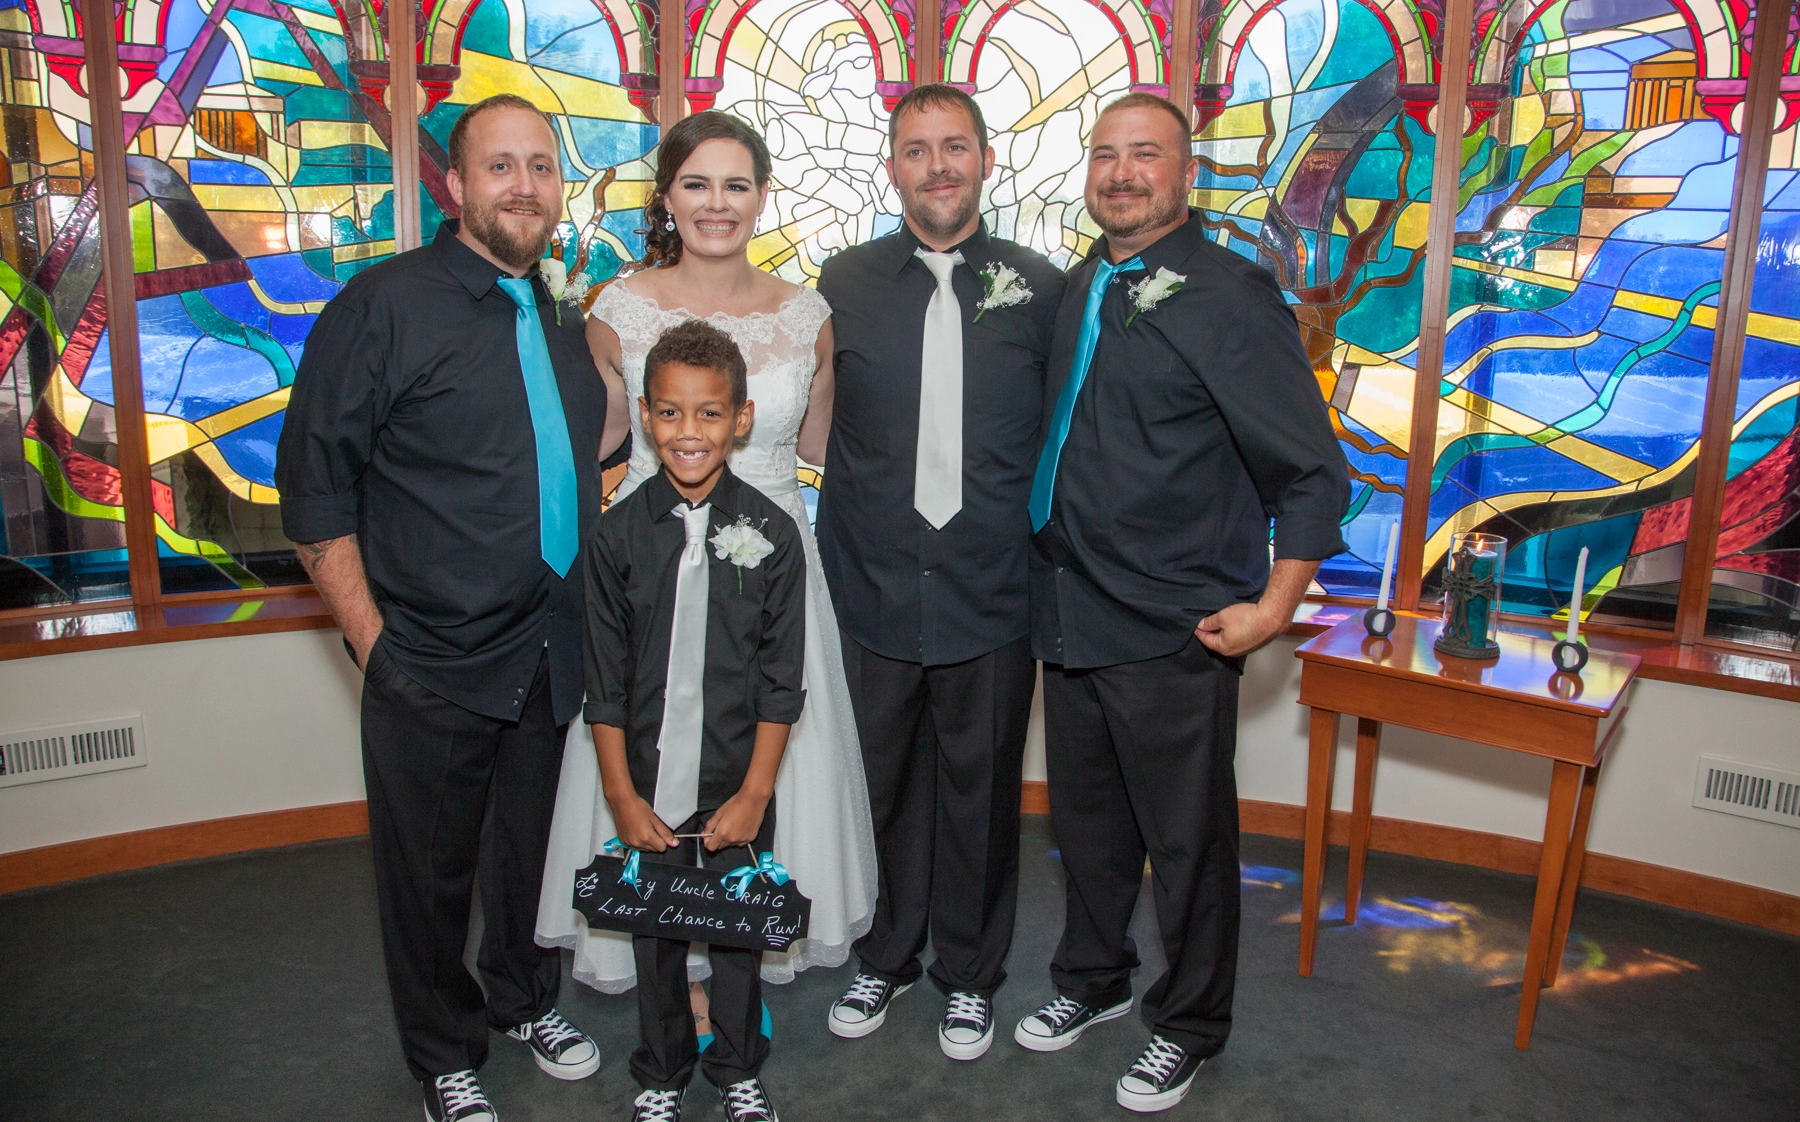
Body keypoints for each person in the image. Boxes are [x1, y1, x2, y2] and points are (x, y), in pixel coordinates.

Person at [275, 94, 619, 1122]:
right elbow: (313, 488)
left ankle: (522, 998)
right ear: (457, 185)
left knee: (527, 855)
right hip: (432, 653)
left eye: (540, 167)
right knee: (428, 874)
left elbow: (564, 461)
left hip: (552, 649)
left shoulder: (557, 311)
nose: (523, 186)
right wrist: (376, 647)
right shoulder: (383, 306)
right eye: (500, 167)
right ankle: (442, 1054)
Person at [1013, 92, 1349, 1113]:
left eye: (1145, 154)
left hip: (1173, 623)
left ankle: (1192, 1022)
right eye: (1105, 154)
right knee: (1089, 825)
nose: (1122, 173)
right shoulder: (1081, 287)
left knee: (1186, 842)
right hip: (1069, 606)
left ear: (1186, 172)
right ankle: (1093, 981)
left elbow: (1312, 472)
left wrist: (1271, 609)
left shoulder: (1230, 294)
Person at [536, 111, 877, 1007]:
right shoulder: (617, 310)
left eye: (736, 185)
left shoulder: (809, 317)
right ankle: (665, 953)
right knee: (643, 731)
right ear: (669, 196)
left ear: (762, 197)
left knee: (764, 742)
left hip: (773, 565)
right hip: (649, 568)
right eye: (697, 183)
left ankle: (743, 946)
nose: (716, 204)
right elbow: (601, 446)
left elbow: (820, 444)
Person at [814, 84, 1065, 1060]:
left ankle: (970, 976)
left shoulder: (1042, 289)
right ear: (893, 169)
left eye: (954, 147)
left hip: (994, 590)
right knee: (875, 788)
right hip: (870, 588)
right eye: (916, 151)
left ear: (986, 160)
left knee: (981, 794)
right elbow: (814, 420)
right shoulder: (840, 282)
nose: (937, 167)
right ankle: (884, 960)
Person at [588, 320, 806, 1122]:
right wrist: (618, 792)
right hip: (645, 777)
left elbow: (784, 682)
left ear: (741, 419)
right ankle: (661, 1068)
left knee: (740, 931)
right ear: (646, 415)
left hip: (735, 774)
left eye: (710, 414)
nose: (690, 433)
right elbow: (604, 682)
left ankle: (739, 1067)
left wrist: (755, 791)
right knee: (657, 933)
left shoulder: (772, 535)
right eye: (672, 414)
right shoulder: (615, 538)